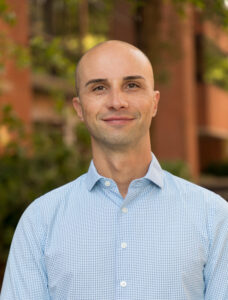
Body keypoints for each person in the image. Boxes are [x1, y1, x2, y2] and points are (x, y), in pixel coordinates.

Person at [1, 40, 228, 300]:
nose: (117, 101)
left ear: (154, 103)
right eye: (99, 88)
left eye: (132, 85)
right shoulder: (39, 222)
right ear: (79, 109)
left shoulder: (213, 217)